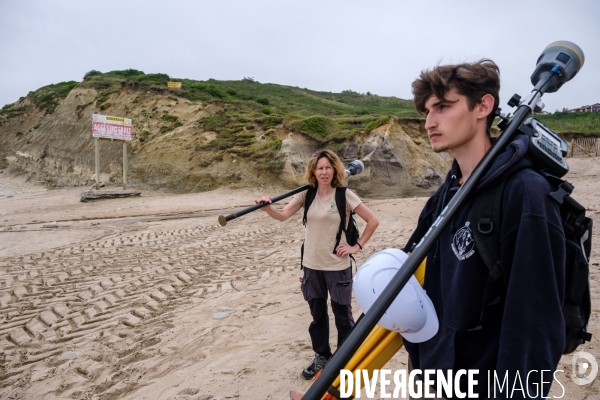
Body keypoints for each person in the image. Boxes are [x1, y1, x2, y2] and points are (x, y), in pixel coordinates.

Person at [402, 60, 565, 398]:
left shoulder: (525, 193)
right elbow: (411, 287)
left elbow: (535, 325)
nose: (429, 122)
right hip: (438, 379)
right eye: (427, 111)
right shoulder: (444, 195)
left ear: (483, 106)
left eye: (444, 107)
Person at [255, 149, 379, 380]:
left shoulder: (344, 195)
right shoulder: (306, 195)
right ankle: (322, 355)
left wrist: (356, 247)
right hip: (311, 266)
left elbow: (373, 221)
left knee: (343, 316)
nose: (324, 172)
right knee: (318, 315)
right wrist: (267, 208)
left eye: (328, 167)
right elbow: (283, 215)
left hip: (337, 266)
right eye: (320, 168)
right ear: (313, 171)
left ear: (335, 170)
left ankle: (344, 360)